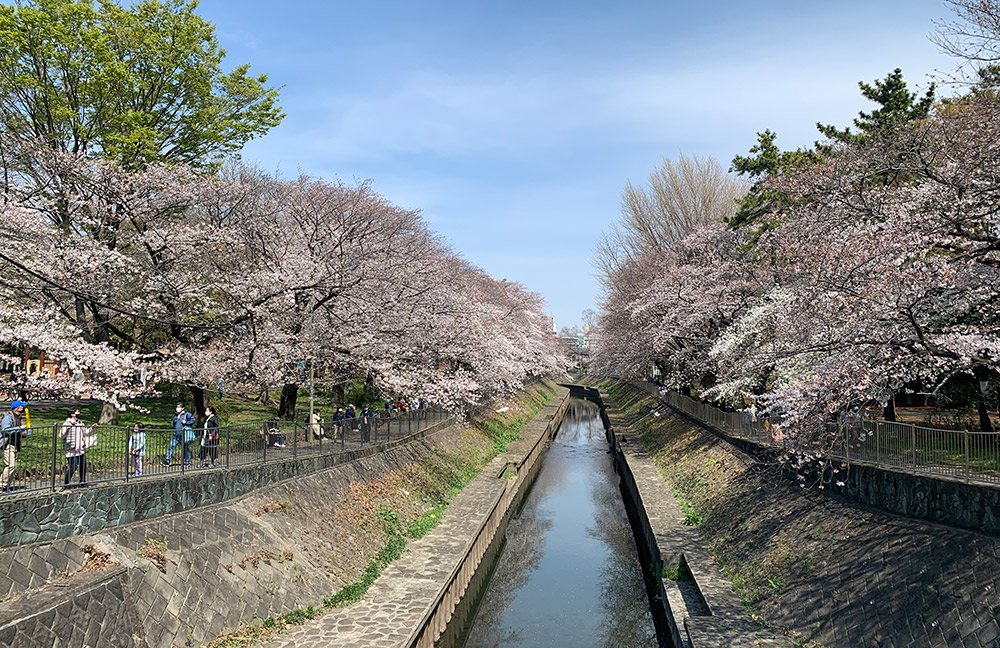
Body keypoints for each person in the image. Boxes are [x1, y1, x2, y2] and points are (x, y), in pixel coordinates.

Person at [59, 407, 92, 486]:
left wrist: (92, 428)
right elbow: (61, 435)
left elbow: (85, 432)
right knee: (73, 467)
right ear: (72, 414)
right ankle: (66, 483)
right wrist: (67, 430)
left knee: (83, 466)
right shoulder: (67, 423)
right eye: (77, 413)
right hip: (71, 449)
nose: (79, 414)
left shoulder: (80, 423)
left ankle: (82, 481)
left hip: (80, 449)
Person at [1, 400, 29, 490]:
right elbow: (5, 430)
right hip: (7, 444)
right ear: (17, 407)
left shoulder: (19, 418)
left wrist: (23, 433)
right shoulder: (8, 418)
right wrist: (19, 428)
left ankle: (6, 486)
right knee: (11, 465)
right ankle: (2, 484)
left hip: (15, 444)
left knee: (13, 466)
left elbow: (17, 431)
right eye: (21, 406)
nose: (23, 407)